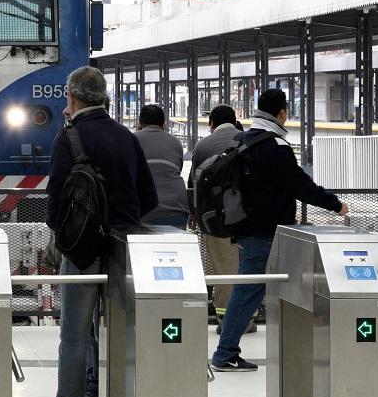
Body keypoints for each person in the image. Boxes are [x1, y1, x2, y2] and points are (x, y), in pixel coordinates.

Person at [28, 66, 157, 397]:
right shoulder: (125, 137)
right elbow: (147, 196)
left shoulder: (68, 138)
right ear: (104, 97)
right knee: (119, 331)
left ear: (71, 97)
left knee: (75, 336)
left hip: (82, 255)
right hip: (123, 250)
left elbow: (54, 205)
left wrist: (70, 237)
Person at [211, 89, 347, 372]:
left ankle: (289, 347)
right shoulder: (274, 147)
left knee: (261, 289)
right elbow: (300, 185)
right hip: (266, 232)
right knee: (249, 291)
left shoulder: (247, 139)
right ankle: (224, 354)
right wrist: (335, 205)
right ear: (282, 113)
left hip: (254, 228)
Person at [188, 105, 247, 330]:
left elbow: (194, 184)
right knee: (247, 269)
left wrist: (194, 213)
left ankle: (226, 318)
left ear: (211, 123)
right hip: (248, 218)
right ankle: (245, 318)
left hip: (216, 218)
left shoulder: (203, 145)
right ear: (235, 120)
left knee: (224, 270)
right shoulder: (247, 140)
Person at [135, 104, 188, 228]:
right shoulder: (175, 142)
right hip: (176, 207)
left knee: (141, 247)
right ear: (164, 124)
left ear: (139, 123)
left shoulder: (131, 139)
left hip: (143, 209)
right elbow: (176, 170)